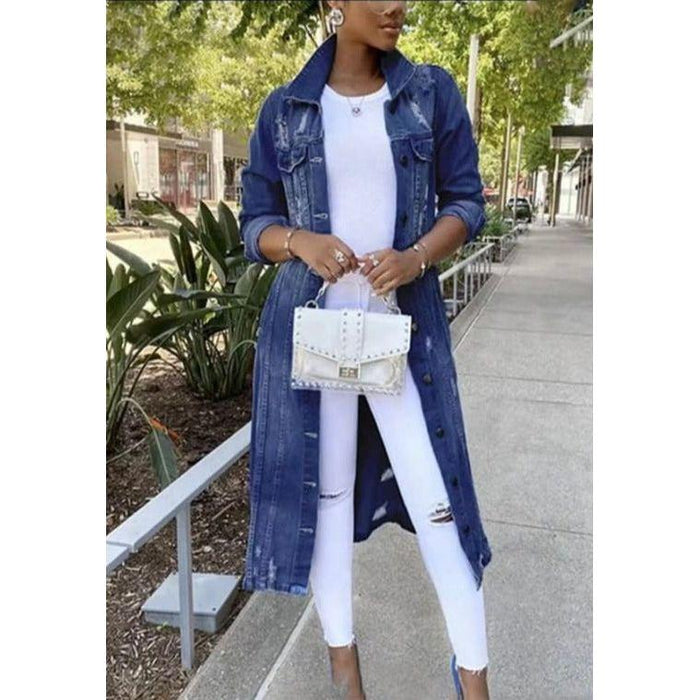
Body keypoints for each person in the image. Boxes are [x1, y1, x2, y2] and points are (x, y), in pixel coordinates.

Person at [239, 2, 492, 698]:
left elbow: (466, 202)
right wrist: (301, 242)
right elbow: (255, 222)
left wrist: (414, 257)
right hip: (313, 338)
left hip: (402, 335)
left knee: (440, 502)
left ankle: (474, 678)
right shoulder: (285, 110)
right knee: (325, 502)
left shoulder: (429, 93)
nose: (395, 5)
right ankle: (345, 670)